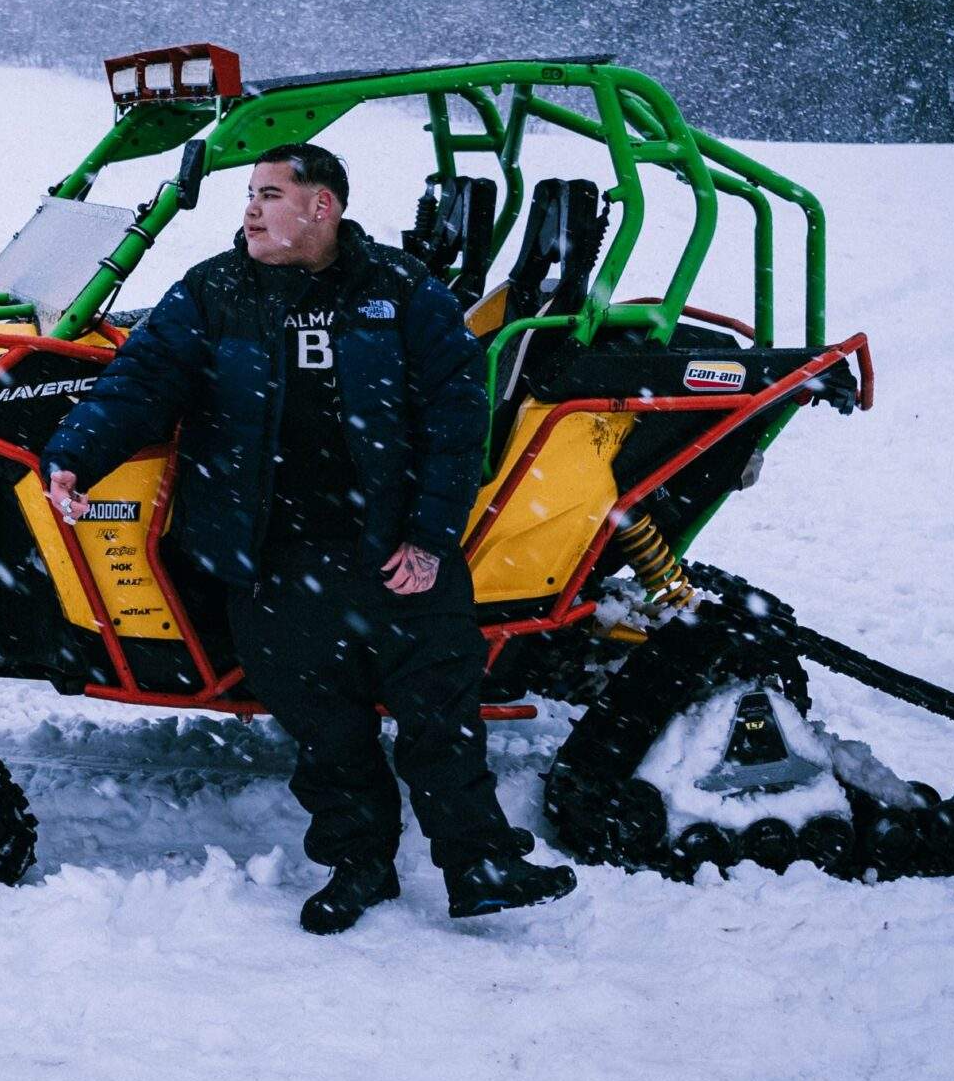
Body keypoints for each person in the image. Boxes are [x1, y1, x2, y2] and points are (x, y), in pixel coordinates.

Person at [42, 143, 576, 933]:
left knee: (441, 712)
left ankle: (480, 862)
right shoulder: (213, 291)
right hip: (272, 556)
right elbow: (138, 384)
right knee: (327, 730)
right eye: (250, 195)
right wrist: (74, 455)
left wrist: (429, 537)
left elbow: (457, 419)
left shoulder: (402, 291)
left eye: (270, 194)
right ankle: (360, 867)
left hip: (393, 546)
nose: (251, 210)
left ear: (321, 206)